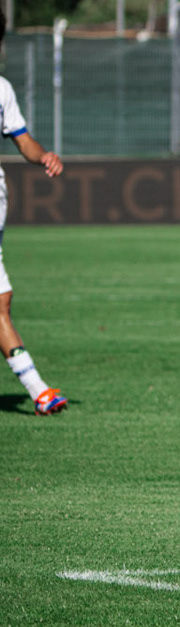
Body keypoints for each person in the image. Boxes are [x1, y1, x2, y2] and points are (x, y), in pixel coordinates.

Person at [0, 67, 67, 414]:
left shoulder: (2, 89)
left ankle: (40, 392)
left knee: (0, 303)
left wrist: (43, 155)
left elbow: (22, 139)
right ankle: (39, 390)